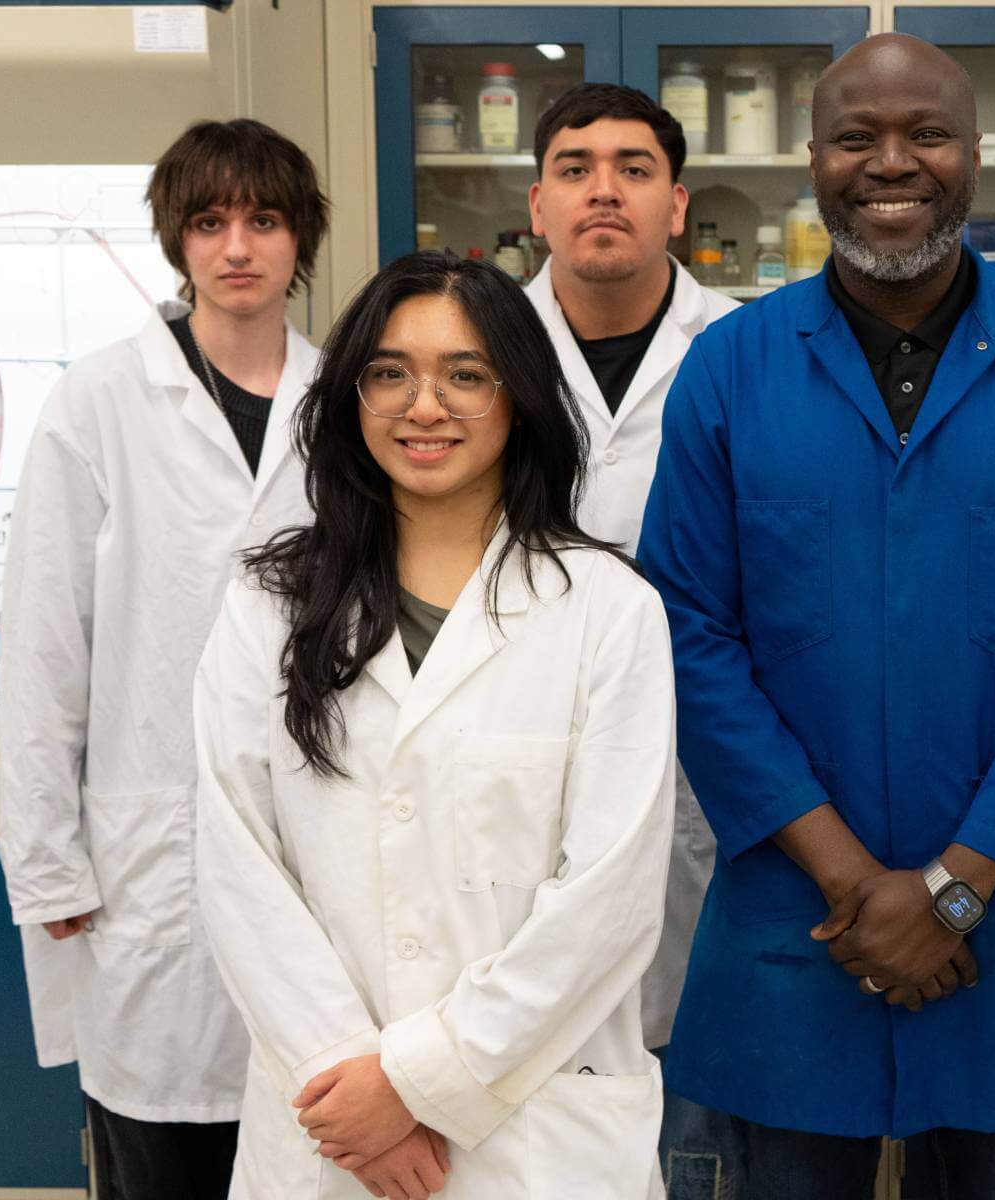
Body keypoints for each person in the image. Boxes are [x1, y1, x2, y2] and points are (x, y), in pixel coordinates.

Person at [638, 33, 995, 1199]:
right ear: (813, 159)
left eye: (925, 133)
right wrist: (852, 884)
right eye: (857, 137)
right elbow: (689, 637)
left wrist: (957, 891)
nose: (892, 162)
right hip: (796, 923)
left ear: (975, 155)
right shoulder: (730, 371)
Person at [192, 251, 675, 1199]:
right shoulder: (269, 604)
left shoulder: (608, 610)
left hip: (536, 1136)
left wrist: (423, 1085)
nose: (425, 405)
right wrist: (361, 1103)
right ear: (350, 397)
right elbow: (237, 862)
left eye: (465, 373)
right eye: (389, 372)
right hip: (332, 1126)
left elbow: (607, 902)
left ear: (521, 398)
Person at [0, 117, 328, 1200]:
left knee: (306, 1141)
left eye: (264, 220)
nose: (238, 246)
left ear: (299, 240)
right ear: (176, 243)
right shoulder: (99, 399)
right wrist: (46, 856)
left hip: (314, 847)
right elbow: (46, 642)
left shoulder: (345, 404)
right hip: (151, 857)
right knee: (160, 1144)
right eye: (209, 221)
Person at [519, 82, 743, 1196]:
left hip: (704, 799)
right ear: (537, 203)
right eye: (574, 166)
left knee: (693, 1130)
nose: (603, 188)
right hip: (513, 789)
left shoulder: (749, 354)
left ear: (677, 205)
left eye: (633, 167)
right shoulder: (473, 352)